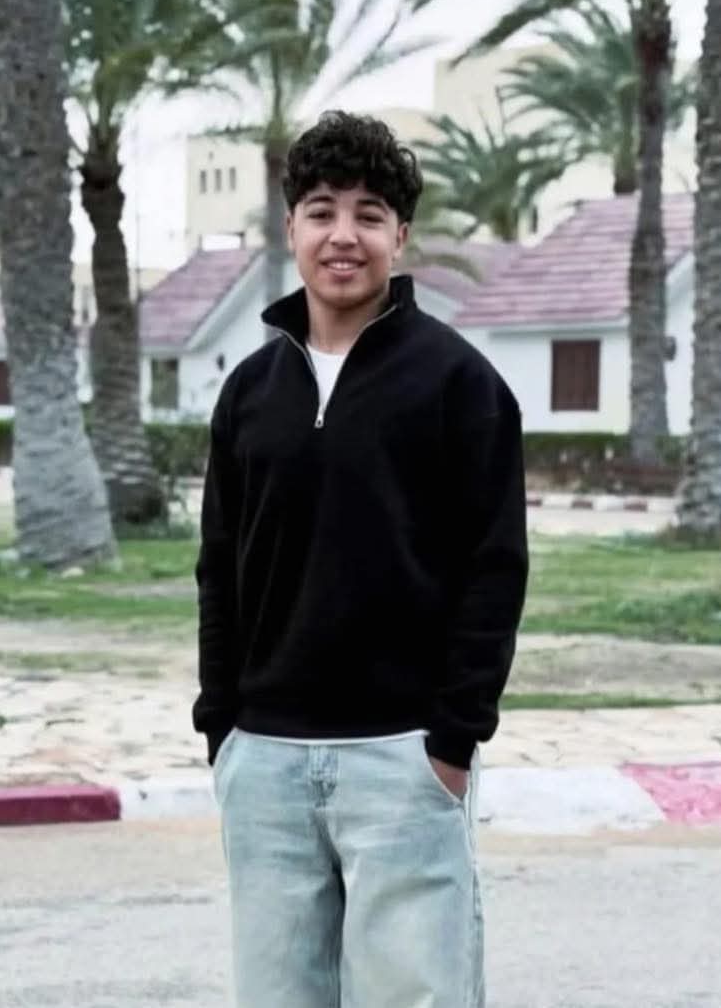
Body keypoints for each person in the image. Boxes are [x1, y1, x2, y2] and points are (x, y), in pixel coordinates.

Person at [192, 110, 529, 1007]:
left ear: (400, 236)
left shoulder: (461, 384)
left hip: (403, 758)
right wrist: (222, 727)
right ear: (291, 228)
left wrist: (452, 740)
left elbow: (495, 570)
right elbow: (219, 567)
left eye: (369, 214)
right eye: (322, 211)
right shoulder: (249, 392)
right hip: (265, 762)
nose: (344, 234)